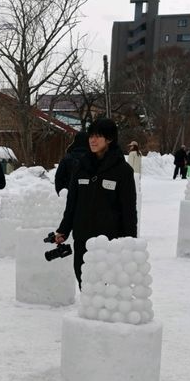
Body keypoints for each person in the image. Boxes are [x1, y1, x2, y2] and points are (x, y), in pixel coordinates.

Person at [54, 117, 137, 286]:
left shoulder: (123, 170)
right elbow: (72, 203)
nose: (92, 140)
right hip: (82, 237)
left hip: (110, 240)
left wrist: (130, 242)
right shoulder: (80, 167)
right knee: (83, 279)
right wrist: (64, 230)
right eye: (91, 136)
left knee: (106, 285)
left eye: (98, 136)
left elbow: (128, 209)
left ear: (109, 139)